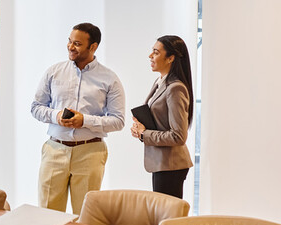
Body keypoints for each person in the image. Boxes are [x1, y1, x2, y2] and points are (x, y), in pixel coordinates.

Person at [30, 23, 125, 214]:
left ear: (93, 47)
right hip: (55, 149)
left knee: (83, 217)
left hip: (90, 152)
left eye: (77, 44)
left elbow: (118, 120)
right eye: (69, 41)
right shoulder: (53, 72)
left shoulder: (110, 78)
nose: (70, 47)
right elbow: (36, 107)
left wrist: (85, 121)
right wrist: (56, 116)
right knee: (47, 214)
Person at [130, 35, 194, 199]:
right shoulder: (160, 83)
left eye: (156, 52)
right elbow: (160, 123)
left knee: (167, 218)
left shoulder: (175, 88)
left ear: (170, 58)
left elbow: (178, 136)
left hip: (171, 166)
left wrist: (145, 134)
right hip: (161, 164)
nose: (150, 56)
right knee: (163, 215)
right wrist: (140, 130)